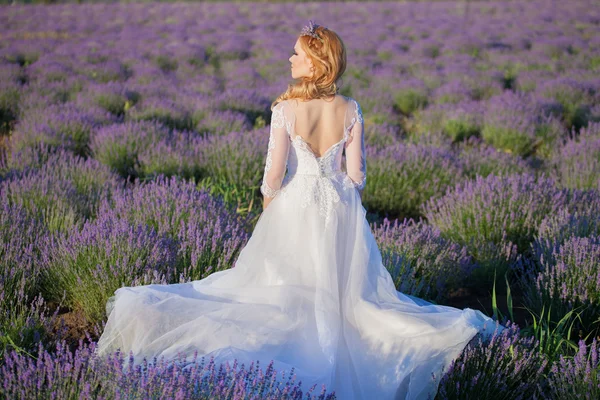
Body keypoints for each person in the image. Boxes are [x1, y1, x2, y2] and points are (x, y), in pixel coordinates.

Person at [94, 20, 504, 400]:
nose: (289, 59)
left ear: (315, 62)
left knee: (275, 293)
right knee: (352, 305)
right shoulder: (351, 108)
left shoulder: (285, 110)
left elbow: (271, 179)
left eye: (296, 53)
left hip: (295, 206)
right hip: (339, 208)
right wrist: (336, 193)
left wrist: (270, 217)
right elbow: (357, 176)